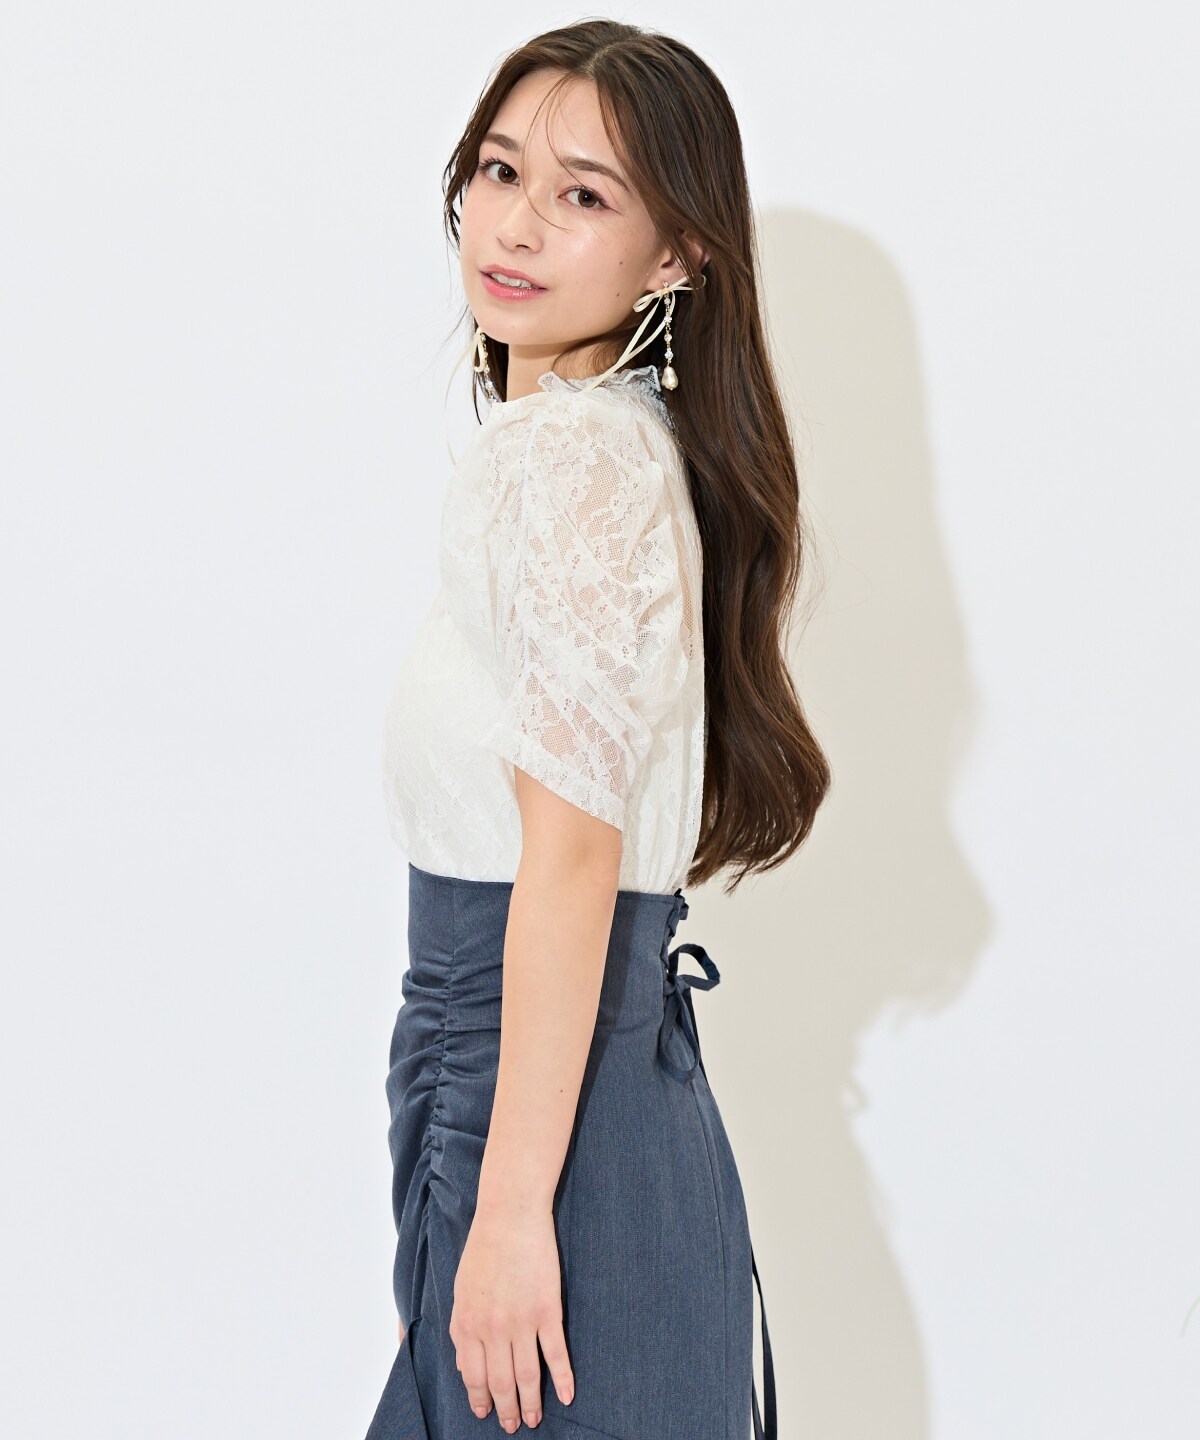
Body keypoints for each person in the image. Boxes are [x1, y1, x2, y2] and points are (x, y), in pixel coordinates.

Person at [365, 20, 830, 1440]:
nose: (516, 225)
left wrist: (512, 1211)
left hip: (539, 1100)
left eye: (583, 194)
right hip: (561, 1084)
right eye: (501, 171)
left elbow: (570, 858)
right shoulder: (606, 445)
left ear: (677, 254)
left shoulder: (574, 459)